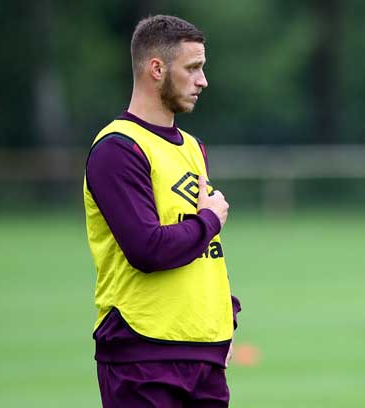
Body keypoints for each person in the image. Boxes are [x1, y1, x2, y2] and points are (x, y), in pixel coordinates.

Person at [83, 15, 240, 407]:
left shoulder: (192, 147)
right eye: (193, 68)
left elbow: (204, 251)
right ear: (157, 68)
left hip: (203, 354)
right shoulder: (119, 148)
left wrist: (226, 313)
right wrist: (209, 220)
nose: (202, 80)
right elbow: (147, 249)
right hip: (143, 355)